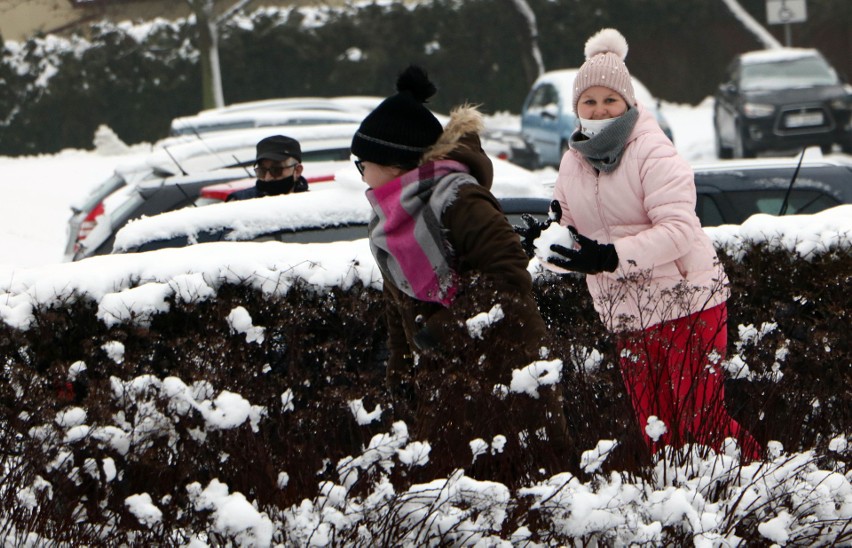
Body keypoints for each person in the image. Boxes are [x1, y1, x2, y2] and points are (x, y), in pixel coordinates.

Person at [537, 29, 760, 461]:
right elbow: (575, 247)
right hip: (627, 314)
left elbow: (679, 229)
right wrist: (548, 243)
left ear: (628, 102)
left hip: (688, 303)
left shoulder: (653, 151)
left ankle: (763, 491)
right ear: (577, 109)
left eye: (609, 100)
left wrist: (611, 256)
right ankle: (684, 514)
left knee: (701, 423)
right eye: (589, 101)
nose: (600, 109)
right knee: (657, 430)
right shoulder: (573, 162)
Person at [352, 65, 571, 482]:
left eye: (363, 162)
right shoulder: (392, 219)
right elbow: (400, 302)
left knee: (527, 488)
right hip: (444, 379)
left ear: (396, 165)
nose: (360, 171)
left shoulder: (460, 200)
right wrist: (402, 373)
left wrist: (443, 331)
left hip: (507, 369)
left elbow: (509, 275)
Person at [227, 135, 308, 201]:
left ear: (297, 170)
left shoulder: (311, 204)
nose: (267, 178)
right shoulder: (239, 202)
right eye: (262, 171)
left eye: (276, 170)